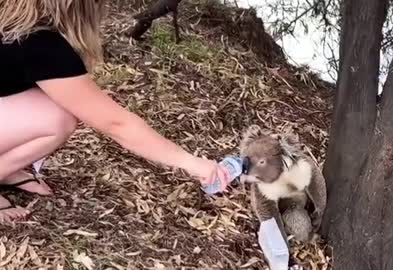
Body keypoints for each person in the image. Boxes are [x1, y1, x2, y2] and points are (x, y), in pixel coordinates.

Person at [0, 0, 230, 224]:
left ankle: (7, 169)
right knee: (57, 119)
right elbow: (117, 124)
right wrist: (190, 162)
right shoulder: (42, 46)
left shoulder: (12, 18)